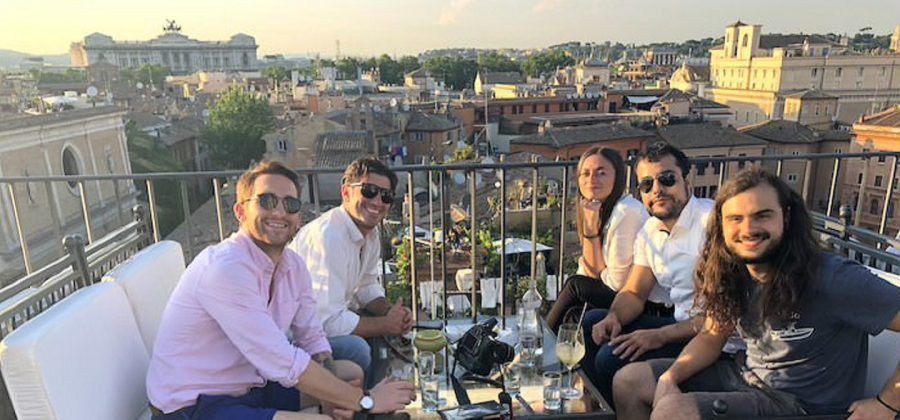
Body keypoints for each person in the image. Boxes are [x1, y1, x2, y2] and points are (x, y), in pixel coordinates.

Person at [614, 168, 900, 420]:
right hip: (745, 378)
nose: (748, 229)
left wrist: (887, 403)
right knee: (630, 382)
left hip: (801, 406)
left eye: (762, 216)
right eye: (735, 219)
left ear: (786, 218)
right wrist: (670, 378)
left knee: (673, 413)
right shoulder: (735, 270)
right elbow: (712, 336)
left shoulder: (832, 277)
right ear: (722, 227)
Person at [147, 160, 415, 419]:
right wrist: (365, 400)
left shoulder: (292, 265)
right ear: (241, 211)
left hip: (249, 385)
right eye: (266, 201)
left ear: (298, 216)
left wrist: (336, 393)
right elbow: (281, 359)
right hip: (194, 404)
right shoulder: (225, 269)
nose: (279, 212)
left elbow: (311, 337)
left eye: (290, 204)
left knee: (348, 372)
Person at [580, 141, 714, 405]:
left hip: (710, 337)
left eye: (667, 179)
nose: (658, 190)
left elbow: (719, 321)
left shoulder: (710, 223)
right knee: (592, 323)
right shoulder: (651, 230)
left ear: (688, 180)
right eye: (647, 185)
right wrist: (614, 317)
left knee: (610, 357)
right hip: (682, 325)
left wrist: (657, 336)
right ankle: (599, 409)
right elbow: (633, 291)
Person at [290, 156, 414, 387]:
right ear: (346, 192)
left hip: (317, 323)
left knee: (374, 330)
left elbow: (366, 286)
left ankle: (372, 400)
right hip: (292, 334)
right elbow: (326, 321)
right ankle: (363, 405)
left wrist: (391, 312)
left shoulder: (370, 234)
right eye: (369, 191)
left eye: (385, 195)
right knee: (356, 348)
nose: (378, 201)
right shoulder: (329, 237)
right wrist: (386, 324)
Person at [545, 146, 648, 332]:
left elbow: (616, 282)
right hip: (613, 291)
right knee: (575, 307)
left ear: (617, 177)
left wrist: (591, 232)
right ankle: (547, 348)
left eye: (601, 173)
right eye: (585, 173)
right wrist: (590, 225)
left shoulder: (627, 212)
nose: (592, 180)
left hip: (633, 300)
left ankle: (540, 345)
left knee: (575, 285)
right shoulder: (596, 209)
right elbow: (590, 272)